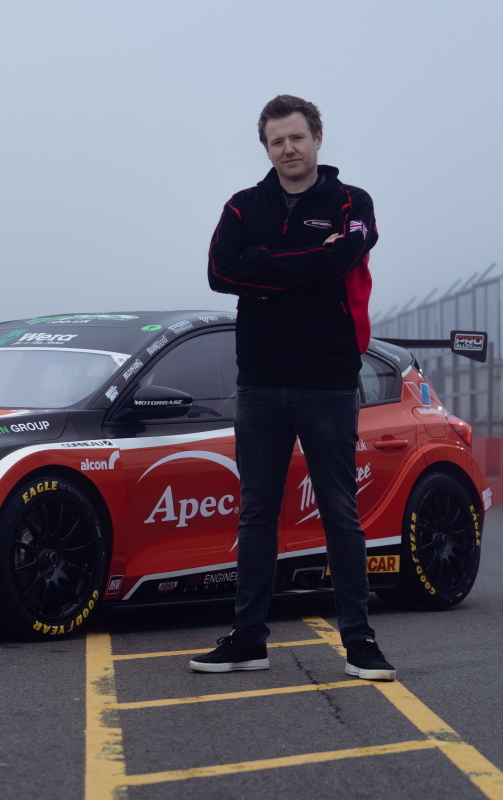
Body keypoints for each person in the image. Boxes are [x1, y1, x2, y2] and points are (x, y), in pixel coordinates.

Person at [197, 95, 394, 681]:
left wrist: (263, 267)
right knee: (256, 513)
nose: (288, 149)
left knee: (340, 511)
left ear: (318, 138)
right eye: (277, 141)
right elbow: (217, 272)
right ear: (266, 148)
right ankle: (248, 638)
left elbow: (343, 261)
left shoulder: (352, 202)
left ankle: (360, 640)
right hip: (259, 383)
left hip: (329, 382)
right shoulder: (241, 206)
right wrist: (300, 263)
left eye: (297, 138)